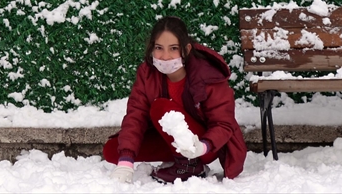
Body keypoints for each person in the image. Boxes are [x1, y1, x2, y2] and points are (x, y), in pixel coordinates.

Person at [103, 16, 246, 184]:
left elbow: (224, 124)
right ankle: (179, 160)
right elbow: (136, 115)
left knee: (161, 108)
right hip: (173, 142)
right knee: (113, 151)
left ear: (186, 49)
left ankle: (192, 166)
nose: (165, 56)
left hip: (204, 144)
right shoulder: (147, 73)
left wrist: (202, 145)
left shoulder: (207, 75)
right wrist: (126, 160)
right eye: (159, 48)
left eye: (173, 48)